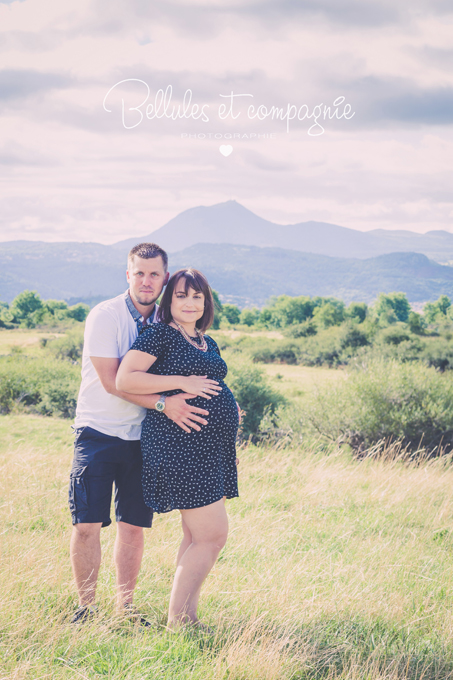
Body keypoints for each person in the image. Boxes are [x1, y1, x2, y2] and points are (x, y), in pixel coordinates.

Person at [69, 243, 217, 625]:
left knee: (133, 528)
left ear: (164, 278)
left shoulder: (168, 323)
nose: (147, 281)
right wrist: (167, 403)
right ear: (128, 274)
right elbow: (113, 382)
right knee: (87, 526)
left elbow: (192, 370)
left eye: (154, 274)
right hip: (98, 432)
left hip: (144, 438)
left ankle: (125, 609)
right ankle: (86, 609)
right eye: (140, 273)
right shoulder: (106, 316)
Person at [116, 268, 239, 631]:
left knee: (194, 535)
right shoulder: (159, 336)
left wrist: (228, 418)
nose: (190, 302)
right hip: (179, 448)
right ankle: (179, 620)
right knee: (212, 535)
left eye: (197, 296)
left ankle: (186, 616)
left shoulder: (206, 340)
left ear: (206, 302)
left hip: (208, 450)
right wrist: (180, 382)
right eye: (182, 295)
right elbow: (126, 378)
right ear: (169, 300)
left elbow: (212, 386)